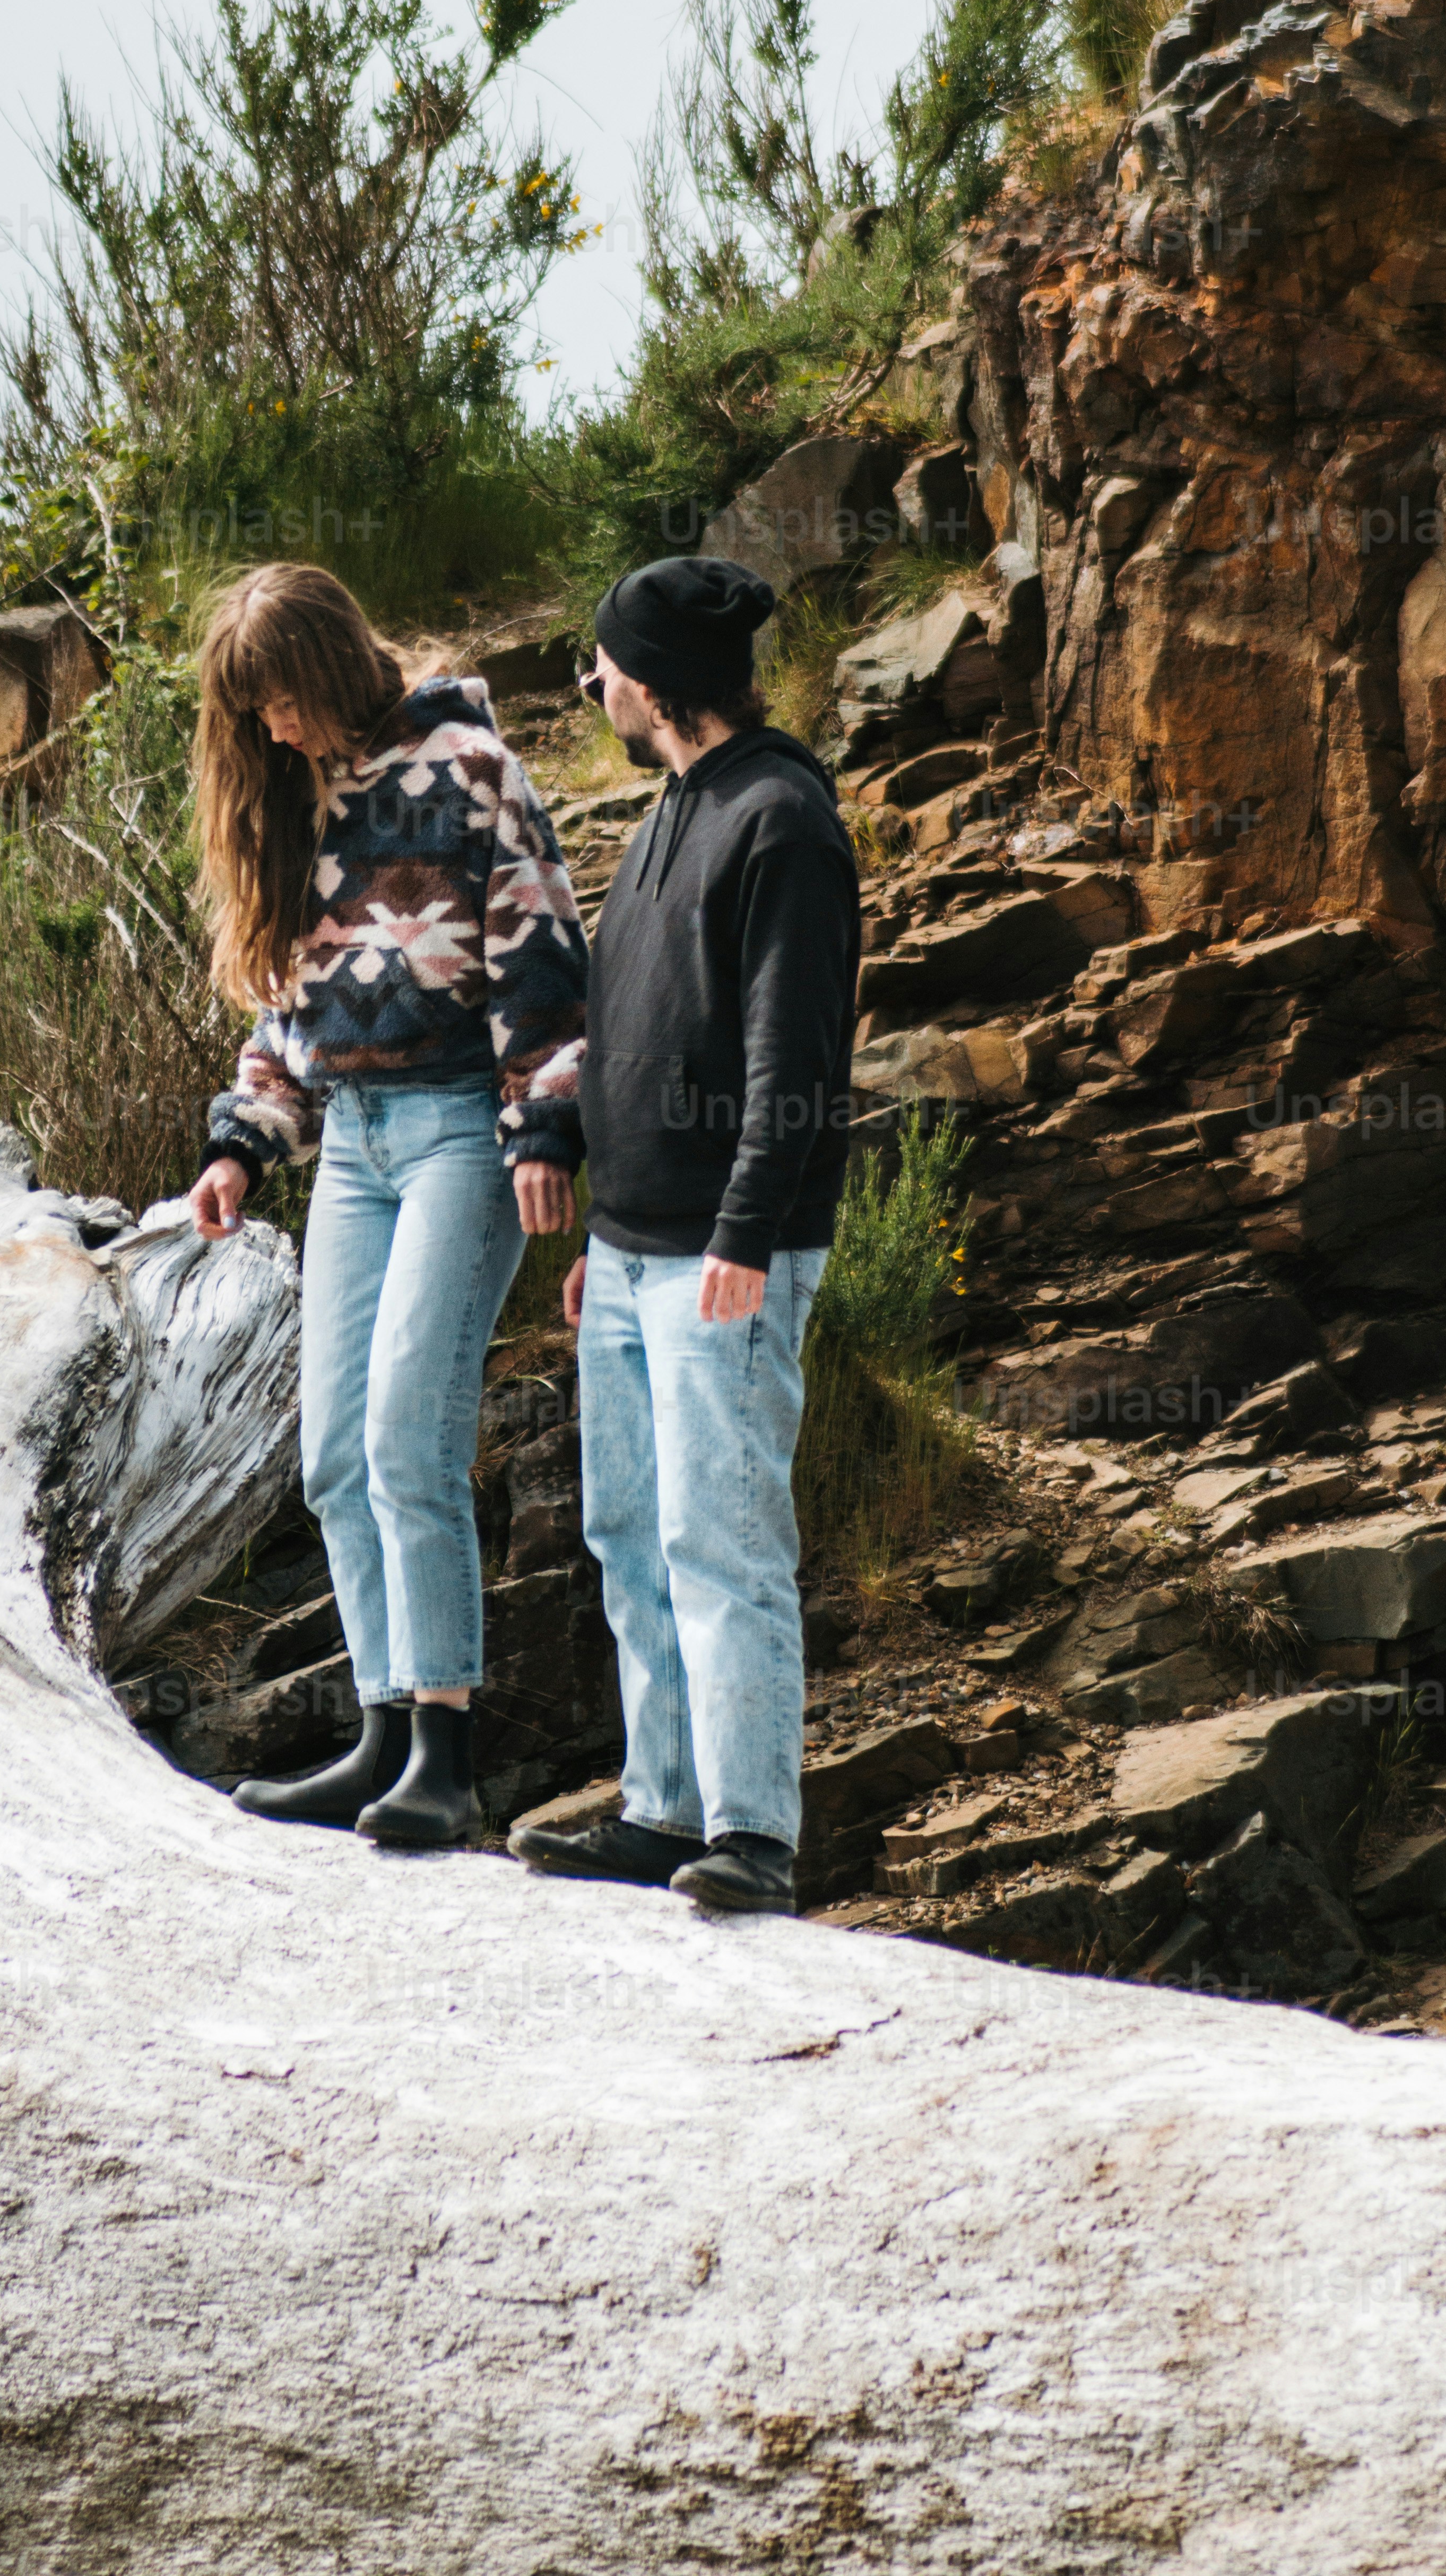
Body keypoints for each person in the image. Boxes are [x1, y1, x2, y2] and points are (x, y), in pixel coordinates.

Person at [186, 560, 585, 1854]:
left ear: (328, 664)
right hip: (349, 1144)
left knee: (411, 1440)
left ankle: (444, 1757)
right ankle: (376, 1733)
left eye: (281, 701)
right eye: (251, 714)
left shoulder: (465, 763)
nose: (272, 728)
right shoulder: (299, 794)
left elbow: (542, 947)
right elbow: (287, 1000)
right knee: (330, 1459)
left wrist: (542, 1121)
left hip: (461, 1126)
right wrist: (244, 1142)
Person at [509, 553, 859, 1917]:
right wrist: (606, 1218)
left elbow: (794, 1062)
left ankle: (753, 1833)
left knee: (722, 1540)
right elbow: (629, 1035)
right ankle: (661, 1806)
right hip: (635, 1250)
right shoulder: (670, 809)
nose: (589, 682)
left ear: (644, 684)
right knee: (629, 1531)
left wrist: (740, 1234)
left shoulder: (781, 820)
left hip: (729, 1256)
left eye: (597, 663)